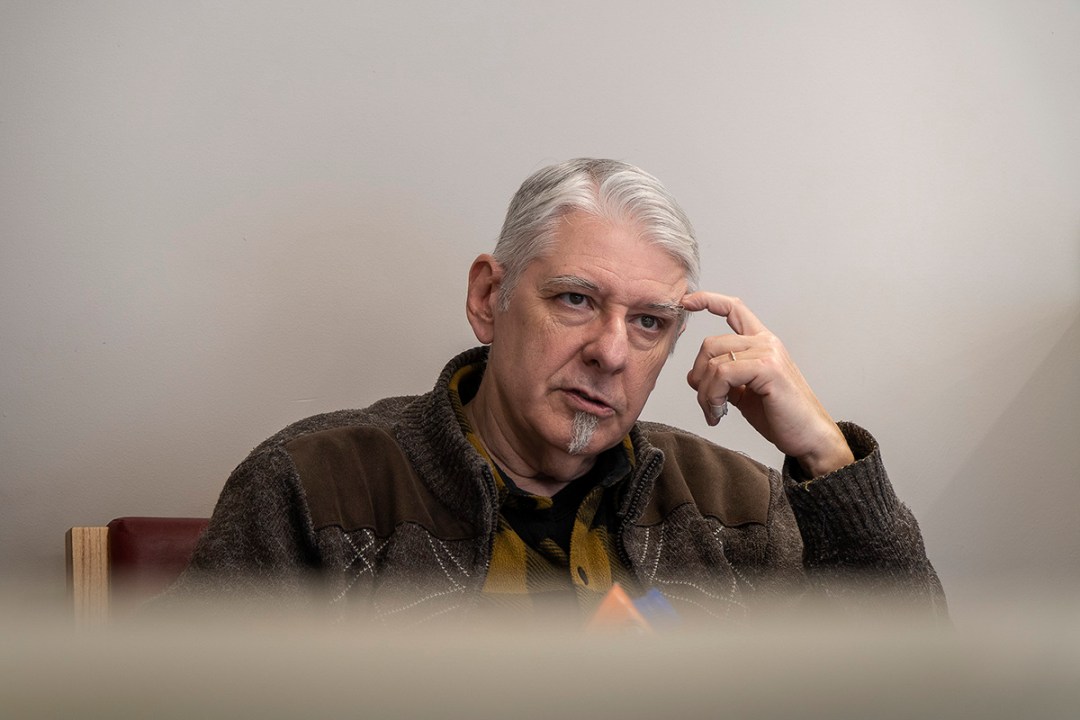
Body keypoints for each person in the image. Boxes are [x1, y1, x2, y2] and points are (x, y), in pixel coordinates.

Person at [165, 158, 946, 626]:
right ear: (489, 298)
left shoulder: (736, 506)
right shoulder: (313, 486)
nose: (610, 351)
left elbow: (906, 684)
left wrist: (824, 455)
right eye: (576, 299)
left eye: (649, 322)